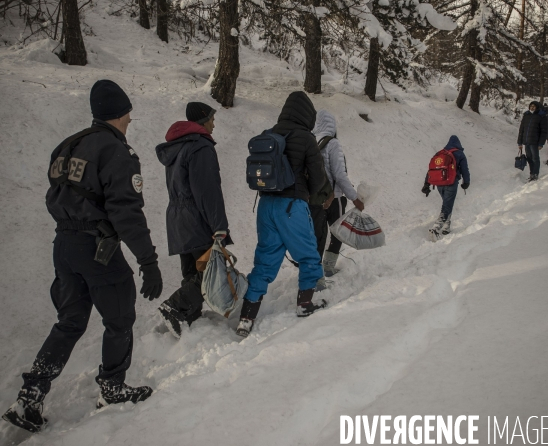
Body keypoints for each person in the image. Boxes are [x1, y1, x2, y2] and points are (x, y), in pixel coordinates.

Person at [2, 80, 163, 433]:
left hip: (64, 245)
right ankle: (113, 388)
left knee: (70, 321)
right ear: (120, 113)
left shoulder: (69, 145)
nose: (131, 120)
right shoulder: (117, 152)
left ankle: (30, 395)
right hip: (97, 248)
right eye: (128, 114)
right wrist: (148, 261)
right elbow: (126, 212)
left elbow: (56, 194)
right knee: (119, 318)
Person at [236, 91, 327, 337]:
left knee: (265, 260)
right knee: (309, 254)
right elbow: (319, 177)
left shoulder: (269, 134)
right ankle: (305, 304)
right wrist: (304, 193)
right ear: (307, 115)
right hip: (292, 205)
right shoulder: (306, 138)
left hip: (266, 206)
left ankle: (246, 317)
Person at [155, 102, 231, 339]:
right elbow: (207, 191)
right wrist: (219, 226)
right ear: (202, 121)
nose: (214, 123)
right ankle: (175, 306)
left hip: (178, 218)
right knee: (211, 271)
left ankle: (190, 319)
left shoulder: (177, 146)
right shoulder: (200, 146)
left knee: (192, 270)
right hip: (198, 218)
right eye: (211, 118)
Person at [310, 110, 364, 286]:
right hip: (335, 198)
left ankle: (315, 276)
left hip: (316, 199)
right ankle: (328, 267)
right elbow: (340, 175)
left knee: (318, 237)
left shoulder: (313, 142)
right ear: (332, 125)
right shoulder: (333, 143)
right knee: (338, 233)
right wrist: (354, 197)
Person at [421, 135, 470, 240]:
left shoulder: (439, 153)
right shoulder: (459, 153)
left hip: (439, 183)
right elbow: (465, 169)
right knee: (447, 206)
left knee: (447, 204)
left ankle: (446, 227)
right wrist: (466, 182)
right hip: (451, 183)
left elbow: (431, 170)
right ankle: (436, 228)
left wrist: (426, 184)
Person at [517, 101, 548, 180]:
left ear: (537, 107)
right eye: (531, 106)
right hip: (526, 141)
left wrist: (541, 143)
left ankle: (535, 174)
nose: (532, 107)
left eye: (534, 106)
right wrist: (519, 142)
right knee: (529, 158)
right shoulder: (526, 115)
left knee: (535, 158)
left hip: (535, 142)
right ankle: (531, 173)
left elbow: (543, 131)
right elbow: (522, 129)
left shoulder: (541, 116)